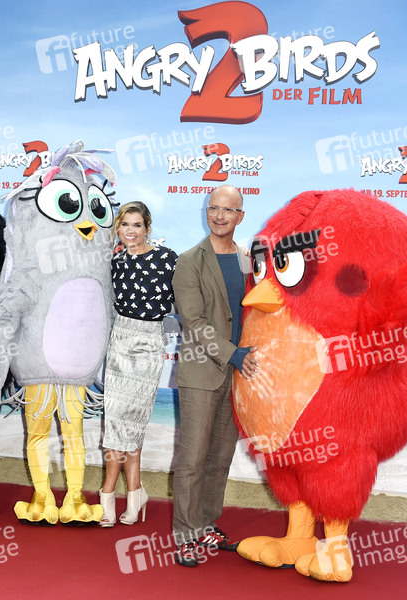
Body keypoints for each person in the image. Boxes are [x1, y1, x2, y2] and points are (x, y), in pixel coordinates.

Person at [171, 185, 259, 567]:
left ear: (241, 216)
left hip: (237, 375)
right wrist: (233, 354)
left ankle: (205, 524)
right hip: (201, 372)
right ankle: (186, 534)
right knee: (192, 458)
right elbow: (193, 322)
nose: (219, 216)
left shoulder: (246, 261)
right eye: (213, 208)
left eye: (228, 210)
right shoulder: (189, 261)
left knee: (220, 456)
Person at [99, 202, 177, 527]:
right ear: (118, 228)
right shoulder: (114, 262)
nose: (130, 231)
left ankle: (109, 494)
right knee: (116, 420)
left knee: (132, 421)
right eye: (124, 224)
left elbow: (188, 297)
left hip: (149, 342)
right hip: (120, 338)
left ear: (147, 228)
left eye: (137, 225)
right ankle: (133, 493)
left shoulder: (168, 259)